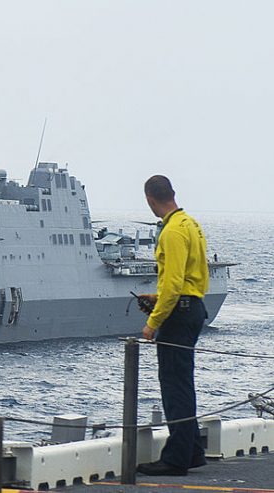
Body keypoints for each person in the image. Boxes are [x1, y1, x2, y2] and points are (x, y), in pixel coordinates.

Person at [136, 175, 209, 476]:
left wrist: (152, 322)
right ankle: (191, 450)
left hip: (178, 315)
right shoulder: (191, 224)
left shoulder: (171, 232)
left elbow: (175, 282)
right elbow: (193, 277)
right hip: (192, 307)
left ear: (151, 199)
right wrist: (158, 296)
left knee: (174, 387)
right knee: (183, 383)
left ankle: (176, 460)